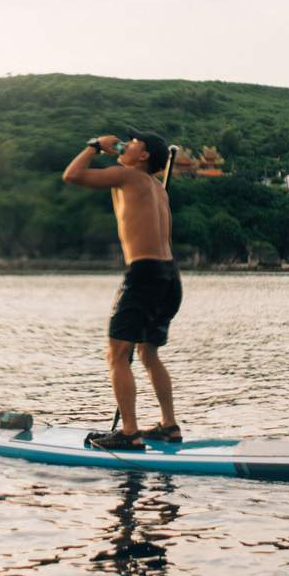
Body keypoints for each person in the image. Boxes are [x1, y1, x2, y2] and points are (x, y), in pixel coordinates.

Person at [62, 129, 183, 450]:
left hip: (144, 275)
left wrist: (93, 147)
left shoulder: (128, 177)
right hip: (170, 276)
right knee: (147, 352)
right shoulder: (158, 188)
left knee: (117, 353)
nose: (125, 145)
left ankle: (129, 433)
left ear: (143, 156)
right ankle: (169, 425)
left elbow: (72, 176)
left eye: (133, 143)